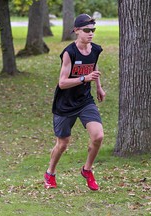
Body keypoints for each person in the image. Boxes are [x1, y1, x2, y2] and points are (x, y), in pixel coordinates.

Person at [44, 14, 106, 191]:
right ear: (77, 31)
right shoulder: (69, 53)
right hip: (65, 104)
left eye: (93, 30)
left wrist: (98, 87)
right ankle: (50, 172)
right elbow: (62, 83)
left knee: (98, 136)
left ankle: (87, 170)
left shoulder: (95, 49)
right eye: (87, 30)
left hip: (85, 101)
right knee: (63, 144)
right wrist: (84, 78)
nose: (91, 34)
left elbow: (94, 68)